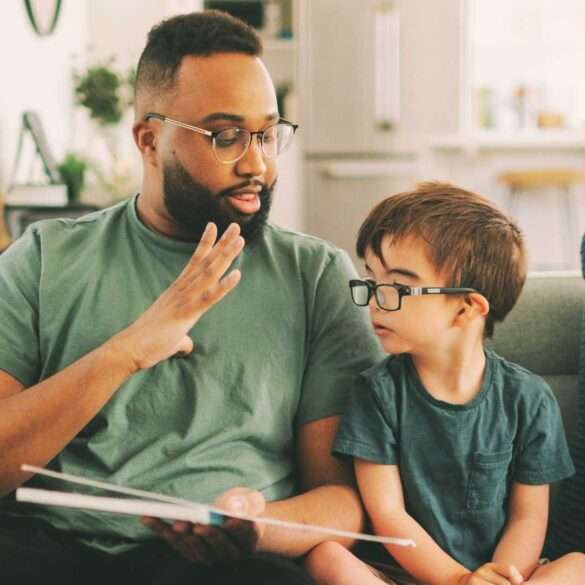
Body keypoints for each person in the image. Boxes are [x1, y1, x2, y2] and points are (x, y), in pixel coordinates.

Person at [0, 10, 382, 584]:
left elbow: (343, 500)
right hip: (53, 547)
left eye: (267, 134)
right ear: (150, 141)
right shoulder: (43, 258)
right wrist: (125, 352)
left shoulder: (316, 275)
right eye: (226, 136)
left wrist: (256, 525)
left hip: (226, 567)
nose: (257, 163)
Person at [304, 183, 585, 585]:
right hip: (403, 573)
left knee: (578, 565)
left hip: (499, 575)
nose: (374, 301)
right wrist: (457, 580)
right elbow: (388, 514)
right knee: (327, 558)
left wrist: (498, 576)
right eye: (371, 279)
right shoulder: (378, 392)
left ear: (466, 307)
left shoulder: (528, 399)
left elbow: (528, 516)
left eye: (397, 288)